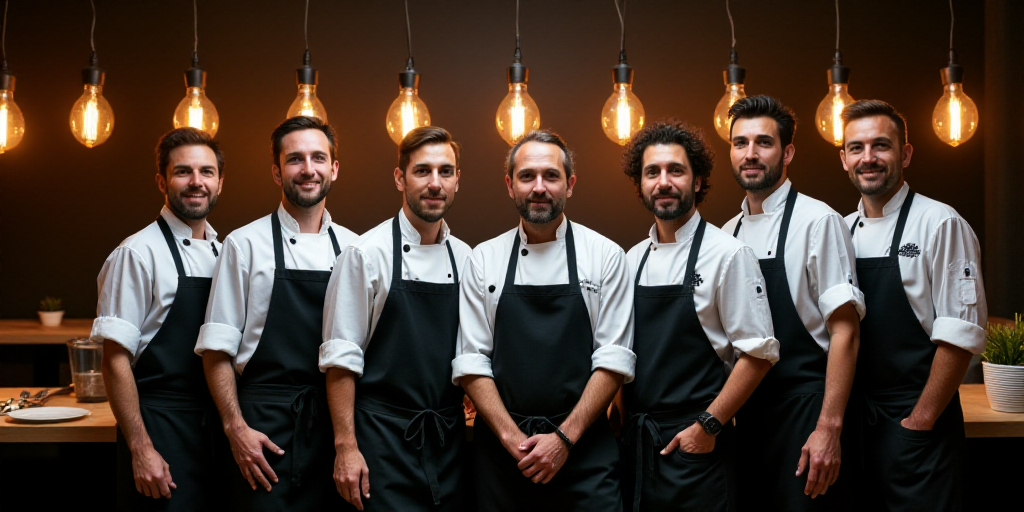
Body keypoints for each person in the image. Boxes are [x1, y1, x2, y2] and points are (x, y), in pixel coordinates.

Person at [453, 129, 635, 511]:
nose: (539, 187)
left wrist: (564, 440)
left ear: (570, 184)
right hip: (504, 456)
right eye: (527, 176)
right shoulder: (483, 259)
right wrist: (513, 440)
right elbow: (472, 361)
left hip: (584, 450)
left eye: (551, 176)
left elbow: (613, 359)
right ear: (509, 185)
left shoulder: (606, 257)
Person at [195, 116, 358, 511]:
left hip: (336, 431)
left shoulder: (356, 250)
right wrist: (236, 430)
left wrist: (349, 441)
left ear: (334, 168)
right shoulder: (244, 245)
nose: (308, 169)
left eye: (318, 158)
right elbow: (217, 353)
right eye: (295, 159)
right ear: (276, 171)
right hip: (262, 434)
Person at [618, 119, 778, 512]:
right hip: (640, 447)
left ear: (699, 180)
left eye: (676, 170)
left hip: (699, 445)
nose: (663, 182)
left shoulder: (729, 254)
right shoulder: (631, 260)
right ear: (639, 183)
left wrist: (707, 427)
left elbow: (758, 356)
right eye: (652, 172)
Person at [840, 100, 987, 511]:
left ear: (905, 154)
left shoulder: (941, 223)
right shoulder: (841, 231)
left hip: (919, 421)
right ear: (844, 159)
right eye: (857, 148)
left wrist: (918, 423)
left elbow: (959, 336)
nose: (868, 158)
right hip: (858, 424)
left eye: (881, 146)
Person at [720, 96, 864, 511]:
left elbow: (846, 332)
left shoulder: (819, 221)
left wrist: (828, 428)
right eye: (740, 142)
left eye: (763, 142)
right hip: (749, 417)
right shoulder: (727, 233)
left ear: (787, 152)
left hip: (807, 410)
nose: (750, 154)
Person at [321, 126, 472, 511]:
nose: (435, 183)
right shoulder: (364, 254)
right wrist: (346, 449)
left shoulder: (467, 258)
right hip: (381, 443)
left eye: (445, 171)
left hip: (448, 443)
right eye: (422, 171)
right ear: (399, 178)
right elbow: (340, 361)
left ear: (458, 181)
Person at [95, 127, 227, 511]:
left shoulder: (226, 252)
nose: (196, 182)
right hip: (160, 430)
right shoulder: (136, 254)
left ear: (220, 182)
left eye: (206, 172)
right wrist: (141, 448)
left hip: (213, 431)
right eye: (183, 171)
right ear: (161, 181)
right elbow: (114, 360)